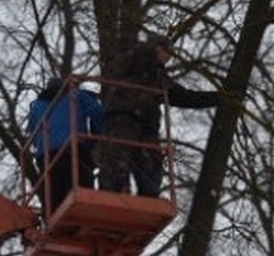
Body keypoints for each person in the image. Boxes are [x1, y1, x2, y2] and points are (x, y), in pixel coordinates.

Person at [97, 35, 222, 198]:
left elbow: (184, 96)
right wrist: (149, 50)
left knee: (150, 166)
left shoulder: (159, 77)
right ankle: (109, 195)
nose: (169, 58)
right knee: (117, 161)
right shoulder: (135, 58)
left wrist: (217, 98)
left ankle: (148, 199)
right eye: (167, 52)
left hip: (147, 125)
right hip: (124, 118)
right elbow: (116, 67)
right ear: (157, 48)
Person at [25, 76, 105, 213]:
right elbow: (98, 113)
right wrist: (96, 137)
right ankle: (85, 214)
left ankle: (53, 221)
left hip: (46, 157)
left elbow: (32, 134)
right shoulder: (77, 95)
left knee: (54, 196)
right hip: (73, 149)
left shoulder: (36, 106)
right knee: (82, 189)